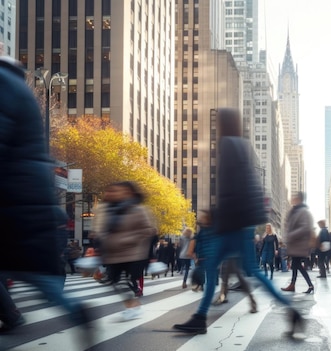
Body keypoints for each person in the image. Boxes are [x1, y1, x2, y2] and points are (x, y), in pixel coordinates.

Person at [173, 108, 303, 336]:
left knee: (213, 267)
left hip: (232, 222)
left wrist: (218, 215)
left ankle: (200, 318)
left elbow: (230, 188)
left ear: (223, 124)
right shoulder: (241, 146)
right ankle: (292, 312)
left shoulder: (228, 146)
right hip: (242, 221)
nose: (214, 128)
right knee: (250, 270)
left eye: (216, 123)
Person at [0, 57, 90, 335]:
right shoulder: (20, 87)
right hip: (27, 191)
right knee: (33, 272)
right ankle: (72, 307)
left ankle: (70, 308)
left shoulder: (3, 84)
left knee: (29, 271)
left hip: (12, 192)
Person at [93, 181, 157, 320]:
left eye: (116, 191)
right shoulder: (108, 210)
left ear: (127, 192)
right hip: (113, 254)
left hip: (133, 253)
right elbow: (102, 230)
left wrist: (128, 240)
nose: (112, 194)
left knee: (125, 280)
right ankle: (133, 305)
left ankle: (133, 306)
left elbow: (149, 230)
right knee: (114, 282)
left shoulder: (138, 209)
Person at [281, 192, 315, 294]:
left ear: (299, 199)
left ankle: (309, 285)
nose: (292, 198)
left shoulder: (304, 211)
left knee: (297, 265)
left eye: (295, 197)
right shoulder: (294, 210)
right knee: (295, 265)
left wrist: (291, 235)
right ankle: (293, 285)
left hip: (299, 245)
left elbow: (305, 228)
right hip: (294, 245)